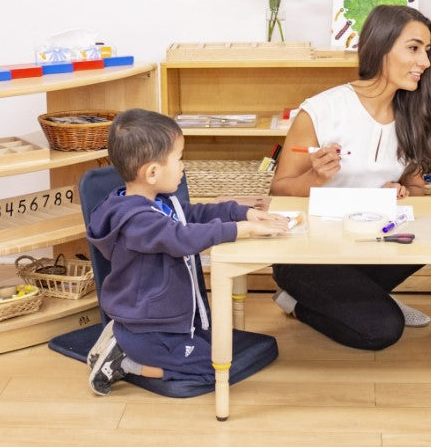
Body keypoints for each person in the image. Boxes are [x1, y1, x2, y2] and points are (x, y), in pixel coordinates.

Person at [269, 4, 431, 349]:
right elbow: (279, 188)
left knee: (429, 236)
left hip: (369, 244)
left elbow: (416, 189)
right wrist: (314, 179)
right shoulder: (322, 110)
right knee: (382, 330)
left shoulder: (415, 114)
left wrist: (403, 191)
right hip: (309, 254)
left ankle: (365, 297)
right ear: (381, 47)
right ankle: (312, 301)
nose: (424, 62)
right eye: (413, 48)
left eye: (427, 51)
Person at [84, 108, 289, 395]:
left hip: (167, 322)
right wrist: (242, 229)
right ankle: (124, 362)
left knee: (216, 356)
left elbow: (194, 215)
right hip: (151, 330)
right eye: (179, 159)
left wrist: (243, 212)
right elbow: (181, 237)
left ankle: (122, 344)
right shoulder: (137, 221)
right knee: (214, 369)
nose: (183, 166)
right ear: (153, 172)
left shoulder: (162, 202)